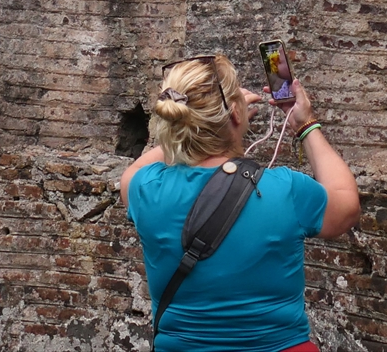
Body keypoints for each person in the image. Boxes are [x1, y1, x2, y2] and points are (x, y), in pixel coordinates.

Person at [118, 53, 361, 352]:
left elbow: (132, 172)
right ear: (235, 113)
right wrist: (305, 123)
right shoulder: (285, 190)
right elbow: (347, 204)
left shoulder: (145, 189)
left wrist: (188, 128)